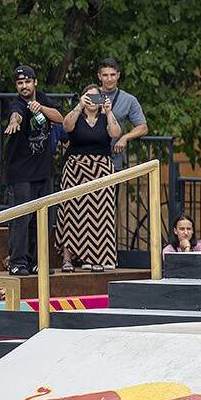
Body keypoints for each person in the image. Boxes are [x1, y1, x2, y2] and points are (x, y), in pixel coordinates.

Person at [2, 65, 64, 276]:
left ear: (35, 82)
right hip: (21, 172)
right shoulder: (15, 103)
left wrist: (40, 108)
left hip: (43, 171)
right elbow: (15, 114)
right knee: (21, 218)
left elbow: (60, 117)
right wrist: (14, 121)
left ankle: (39, 261)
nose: (24, 86)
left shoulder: (43, 99)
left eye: (27, 82)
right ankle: (18, 262)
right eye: (20, 83)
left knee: (43, 219)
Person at [58, 84, 121, 272]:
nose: (92, 101)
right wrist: (78, 106)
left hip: (101, 169)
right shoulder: (76, 115)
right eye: (89, 97)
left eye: (96, 97)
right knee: (70, 213)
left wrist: (109, 112)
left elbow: (116, 133)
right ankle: (68, 259)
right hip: (75, 169)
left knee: (101, 214)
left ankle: (97, 258)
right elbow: (66, 126)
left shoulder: (104, 118)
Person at [96, 58, 149, 167]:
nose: (109, 79)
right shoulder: (92, 95)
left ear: (118, 75)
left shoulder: (129, 100)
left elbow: (143, 127)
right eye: (105, 75)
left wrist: (125, 138)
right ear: (99, 76)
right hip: (90, 158)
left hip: (113, 160)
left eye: (113, 75)